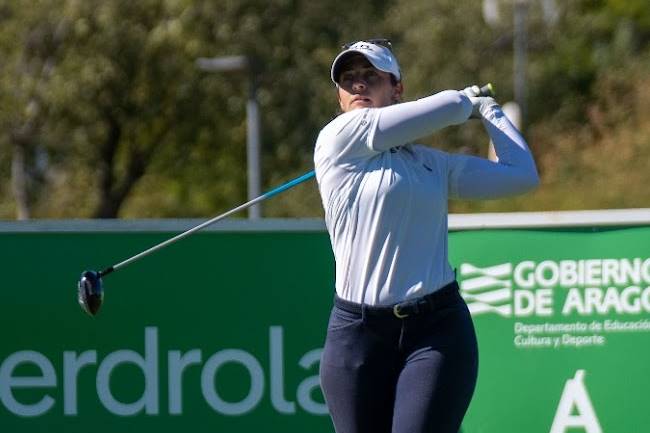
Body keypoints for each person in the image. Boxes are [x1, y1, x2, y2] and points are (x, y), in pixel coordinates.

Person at [314, 39, 539, 433]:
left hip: (436, 330)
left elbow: (521, 174)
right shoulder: (338, 139)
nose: (359, 86)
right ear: (339, 95)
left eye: (371, 76)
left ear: (397, 88)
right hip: (358, 336)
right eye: (349, 80)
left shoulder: (431, 165)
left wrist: (489, 111)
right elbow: (450, 108)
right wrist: (466, 103)